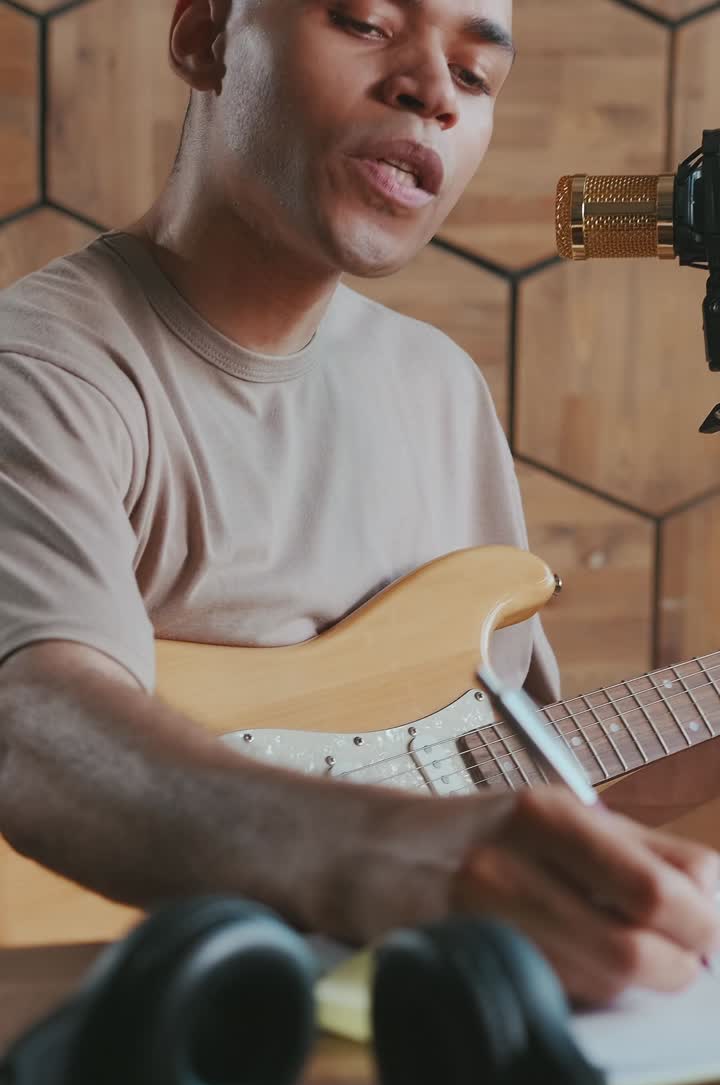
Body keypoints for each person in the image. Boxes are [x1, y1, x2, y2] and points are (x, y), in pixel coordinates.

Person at [0, 0, 718, 1007]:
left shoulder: (438, 385)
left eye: (475, 77)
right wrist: (387, 860)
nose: (431, 90)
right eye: (366, 22)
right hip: (149, 1041)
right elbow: (33, 727)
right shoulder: (40, 370)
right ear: (204, 36)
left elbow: (497, 776)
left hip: (416, 1033)